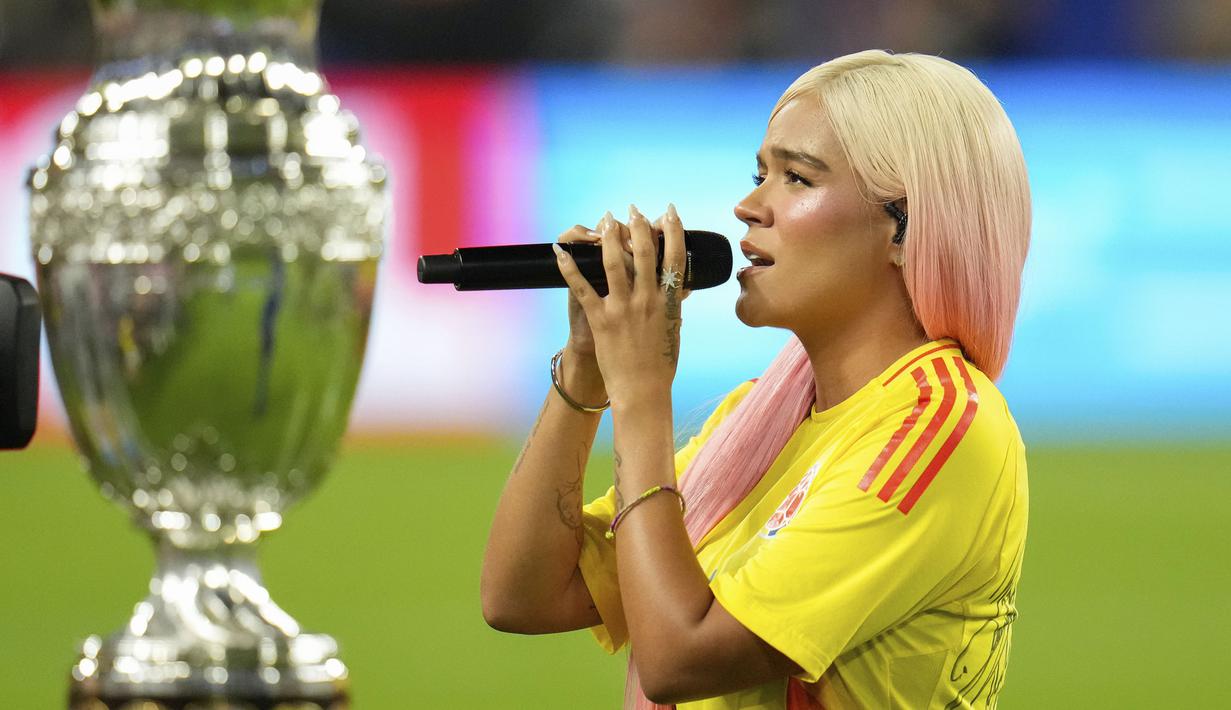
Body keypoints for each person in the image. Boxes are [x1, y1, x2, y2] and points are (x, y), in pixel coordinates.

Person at [480, 49, 1031, 709]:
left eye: (795, 179)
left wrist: (643, 396)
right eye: (759, 173)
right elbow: (525, 595)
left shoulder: (938, 430)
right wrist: (586, 368)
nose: (747, 207)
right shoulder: (759, 417)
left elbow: (680, 660)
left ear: (904, 229)